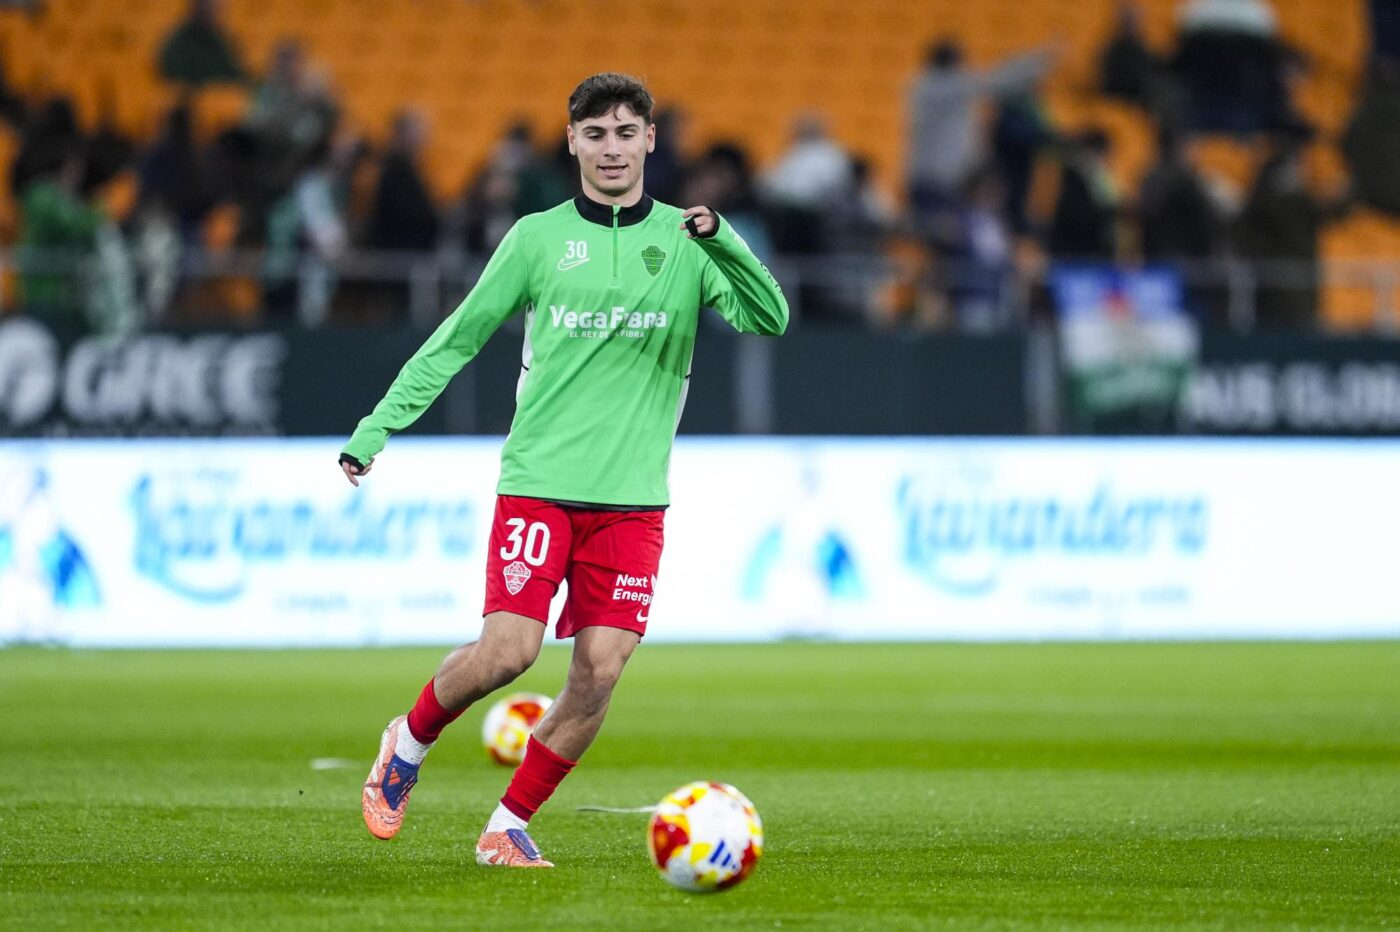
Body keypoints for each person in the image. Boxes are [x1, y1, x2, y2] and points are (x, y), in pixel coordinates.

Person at [340, 72, 787, 868]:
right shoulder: (536, 238)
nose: (612, 149)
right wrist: (377, 427)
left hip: (633, 500)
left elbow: (770, 317)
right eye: (596, 134)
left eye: (626, 133)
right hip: (540, 483)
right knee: (508, 654)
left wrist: (723, 237)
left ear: (649, 140)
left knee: (599, 672)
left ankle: (506, 825)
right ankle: (407, 741)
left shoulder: (688, 244)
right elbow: (458, 337)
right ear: (573, 140)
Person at [157, 0, 247, 88]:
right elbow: (172, 74)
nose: (215, 13)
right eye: (209, 8)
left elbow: (232, 72)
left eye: (217, 9)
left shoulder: (220, 41)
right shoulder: (180, 42)